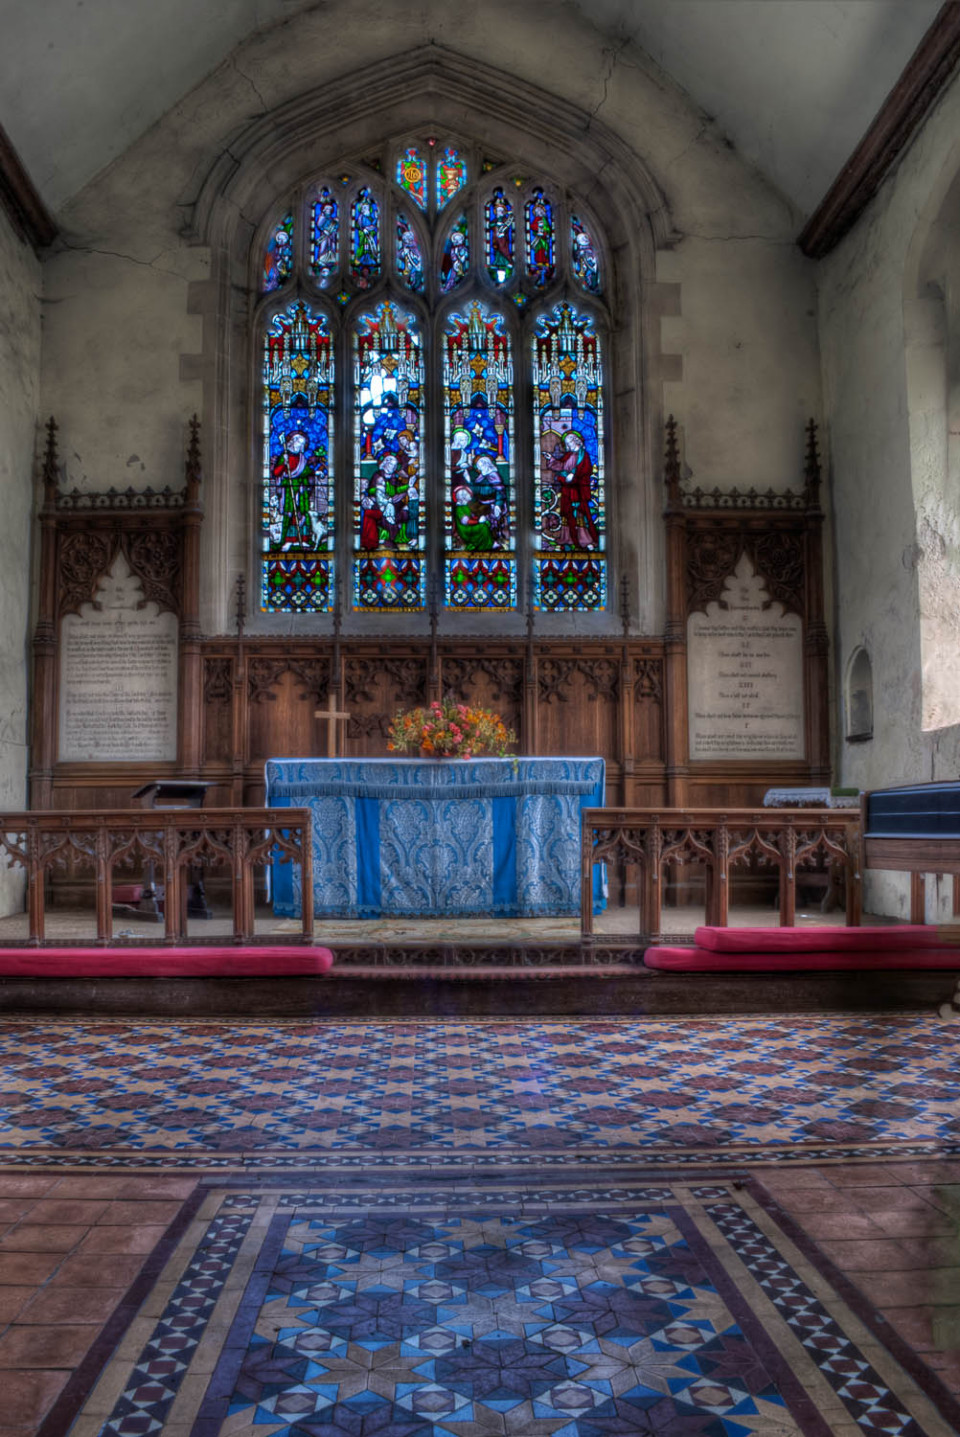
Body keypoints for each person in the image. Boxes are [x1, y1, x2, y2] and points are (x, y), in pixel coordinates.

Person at [546, 429, 598, 549]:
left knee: (579, 513)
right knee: (567, 513)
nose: (568, 445)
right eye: (567, 444)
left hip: (578, 489)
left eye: (570, 443)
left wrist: (574, 476)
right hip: (568, 489)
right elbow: (561, 466)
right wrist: (552, 459)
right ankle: (567, 538)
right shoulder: (569, 455)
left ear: (576, 442)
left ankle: (583, 539)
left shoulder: (583, 456)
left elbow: (586, 470)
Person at [273, 430, 321, 549]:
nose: (301, 448)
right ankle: (288, 540)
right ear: (292, 443)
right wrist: (284, 464)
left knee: (302, 514)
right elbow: (276, 472)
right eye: (299, 445)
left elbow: (306, 471)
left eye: (302, 445)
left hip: (301, 489)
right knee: (290, 514)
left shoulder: (302, 458)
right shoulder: (284, 456)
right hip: (288, 490)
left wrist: (315, 473)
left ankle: (303, 539)